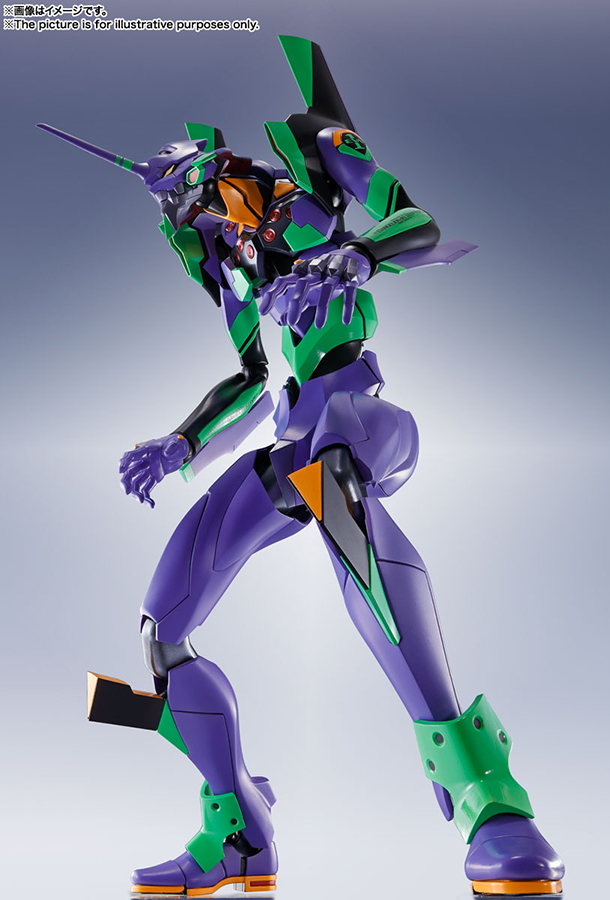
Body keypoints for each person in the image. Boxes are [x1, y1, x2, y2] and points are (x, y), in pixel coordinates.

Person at [38, 35, 564, 898]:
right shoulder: (238, 270)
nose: (195, 222)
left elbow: (417, 224)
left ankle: (487, 800)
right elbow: (253, 378)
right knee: (163, 629)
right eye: (179, 214)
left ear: (217, 171)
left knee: (333, 477)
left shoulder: (315, 173)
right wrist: (180, 442)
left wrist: (358, 254)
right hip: (289, 448)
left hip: (361, 421)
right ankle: (239, 836)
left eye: (191, 197)